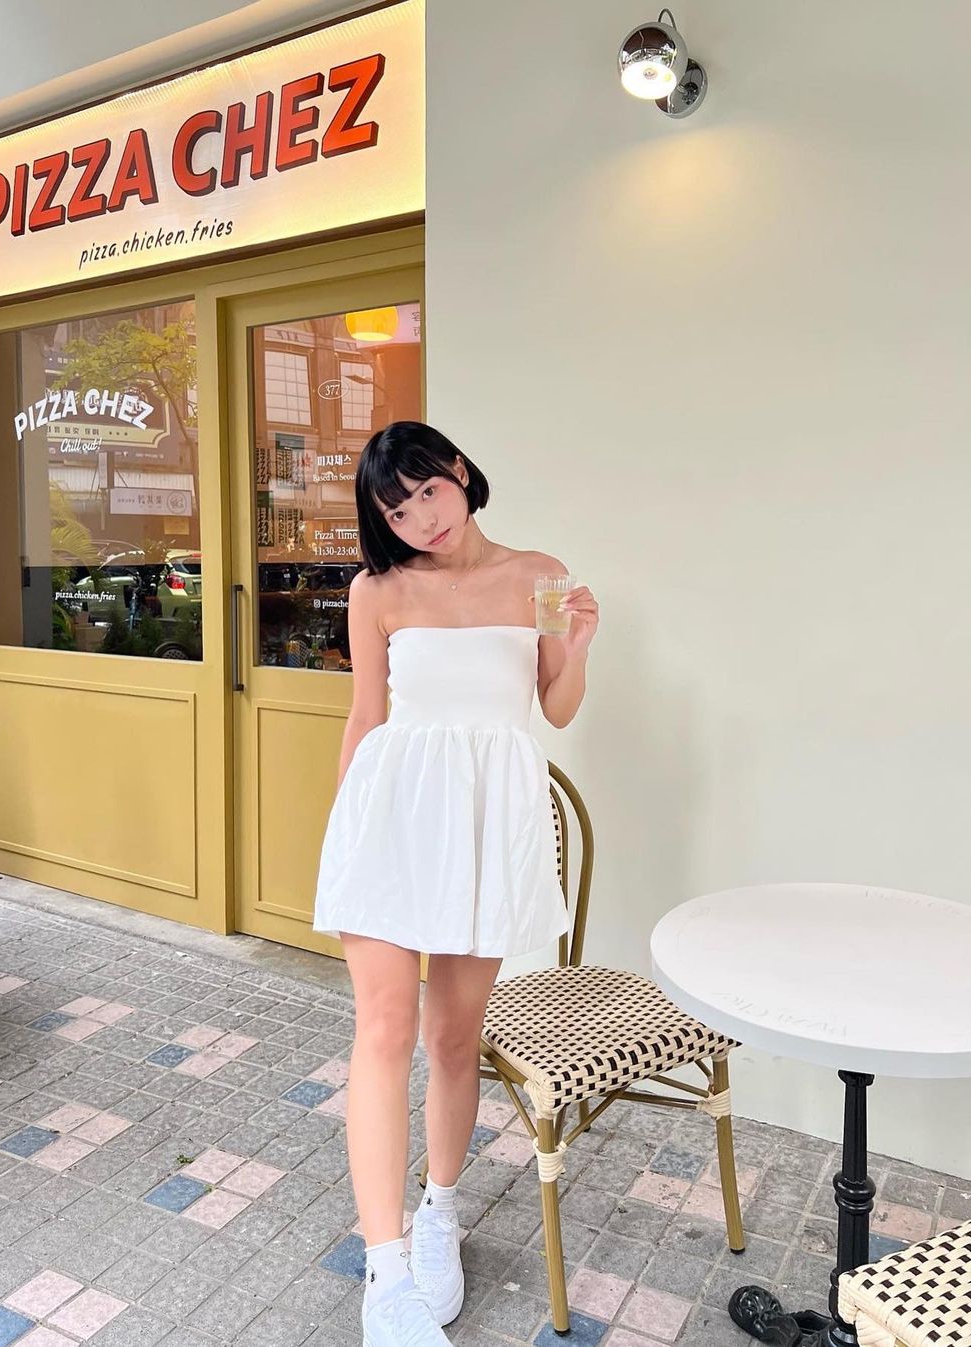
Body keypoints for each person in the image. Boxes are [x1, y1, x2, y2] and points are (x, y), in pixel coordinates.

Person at [312, 421, 599, 1347]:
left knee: (451, 1036)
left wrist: (578, 645)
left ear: (461, 474)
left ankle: (439, 1211)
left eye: (427, 491)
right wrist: (345, 833)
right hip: (392, 821)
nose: (419, 519)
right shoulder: (376, 590)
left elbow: (554, 707)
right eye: (396, 511)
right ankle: (386, 1270)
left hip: (486, 830)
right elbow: (366, 714)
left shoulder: (539, 573)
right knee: (384, 1027)